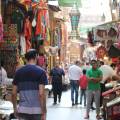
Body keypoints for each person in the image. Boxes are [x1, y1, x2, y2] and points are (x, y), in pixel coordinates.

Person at [12, 49, 47, 120]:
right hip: (37, 111)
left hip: (22, 110)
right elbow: (41, 94)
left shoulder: (18, 72)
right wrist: (44, 110)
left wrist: (15, 109)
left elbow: (13, 93)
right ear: (36, 57)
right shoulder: (41, 72)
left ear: (26, 58)